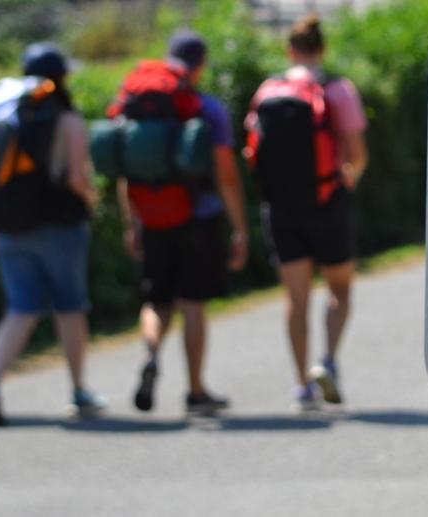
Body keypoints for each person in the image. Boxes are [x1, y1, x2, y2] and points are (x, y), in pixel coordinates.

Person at [117, 30, 251, 415]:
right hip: (199, 216)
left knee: (157, 299)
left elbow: (128, 171)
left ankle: (151, 352)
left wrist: (133, 222)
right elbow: (225, 174)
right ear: (200, 65)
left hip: (154, 215)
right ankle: (195, 391)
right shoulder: (206, 109)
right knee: (193, 303)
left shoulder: (137, 103)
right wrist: (239, 227)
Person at [0, 43, 104, 426]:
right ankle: (78, 391)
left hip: (11, 227)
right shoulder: (68, 120)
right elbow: (77, 177)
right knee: (70, 306)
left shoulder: (3, 115)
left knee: (20, 309)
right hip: (61, 228)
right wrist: (93, 199)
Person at [245, 14, 368, 411]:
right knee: (340, 288)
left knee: (295, 299)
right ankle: (328, 361)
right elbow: (357, 154)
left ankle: (301, 386)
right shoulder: (337, 90)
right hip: (327, 200)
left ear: (290, 50)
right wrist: (347, 179)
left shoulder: (268, 91)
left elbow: (252, 150)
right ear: (322, 49)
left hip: (280, 207)